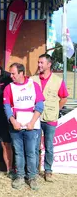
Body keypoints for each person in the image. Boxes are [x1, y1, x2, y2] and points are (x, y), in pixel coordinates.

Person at [3, 63, 44, 191]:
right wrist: (13, 121)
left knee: (31, 152)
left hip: (32, 127)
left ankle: (32, 177)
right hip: (16, 126)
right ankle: (20, 176)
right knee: (19, 152)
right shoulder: (9, 88)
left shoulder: (33, 85)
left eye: (14, 73)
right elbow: (7, 107)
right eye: (10, 73)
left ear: (21, 73)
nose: (11, 76)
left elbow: (39, 105)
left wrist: (32, 122)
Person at [32, 54, 68, 182]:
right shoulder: (33, 79)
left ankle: (48, 171)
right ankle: (34, 170)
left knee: (48, 146)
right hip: (35, 118)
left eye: (41, 63)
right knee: (35, 146)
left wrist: (56, 109)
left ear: (49, 64)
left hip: (50, 118)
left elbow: (64, 97)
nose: (39, 65)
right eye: (38, 62)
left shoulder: (58, 80)